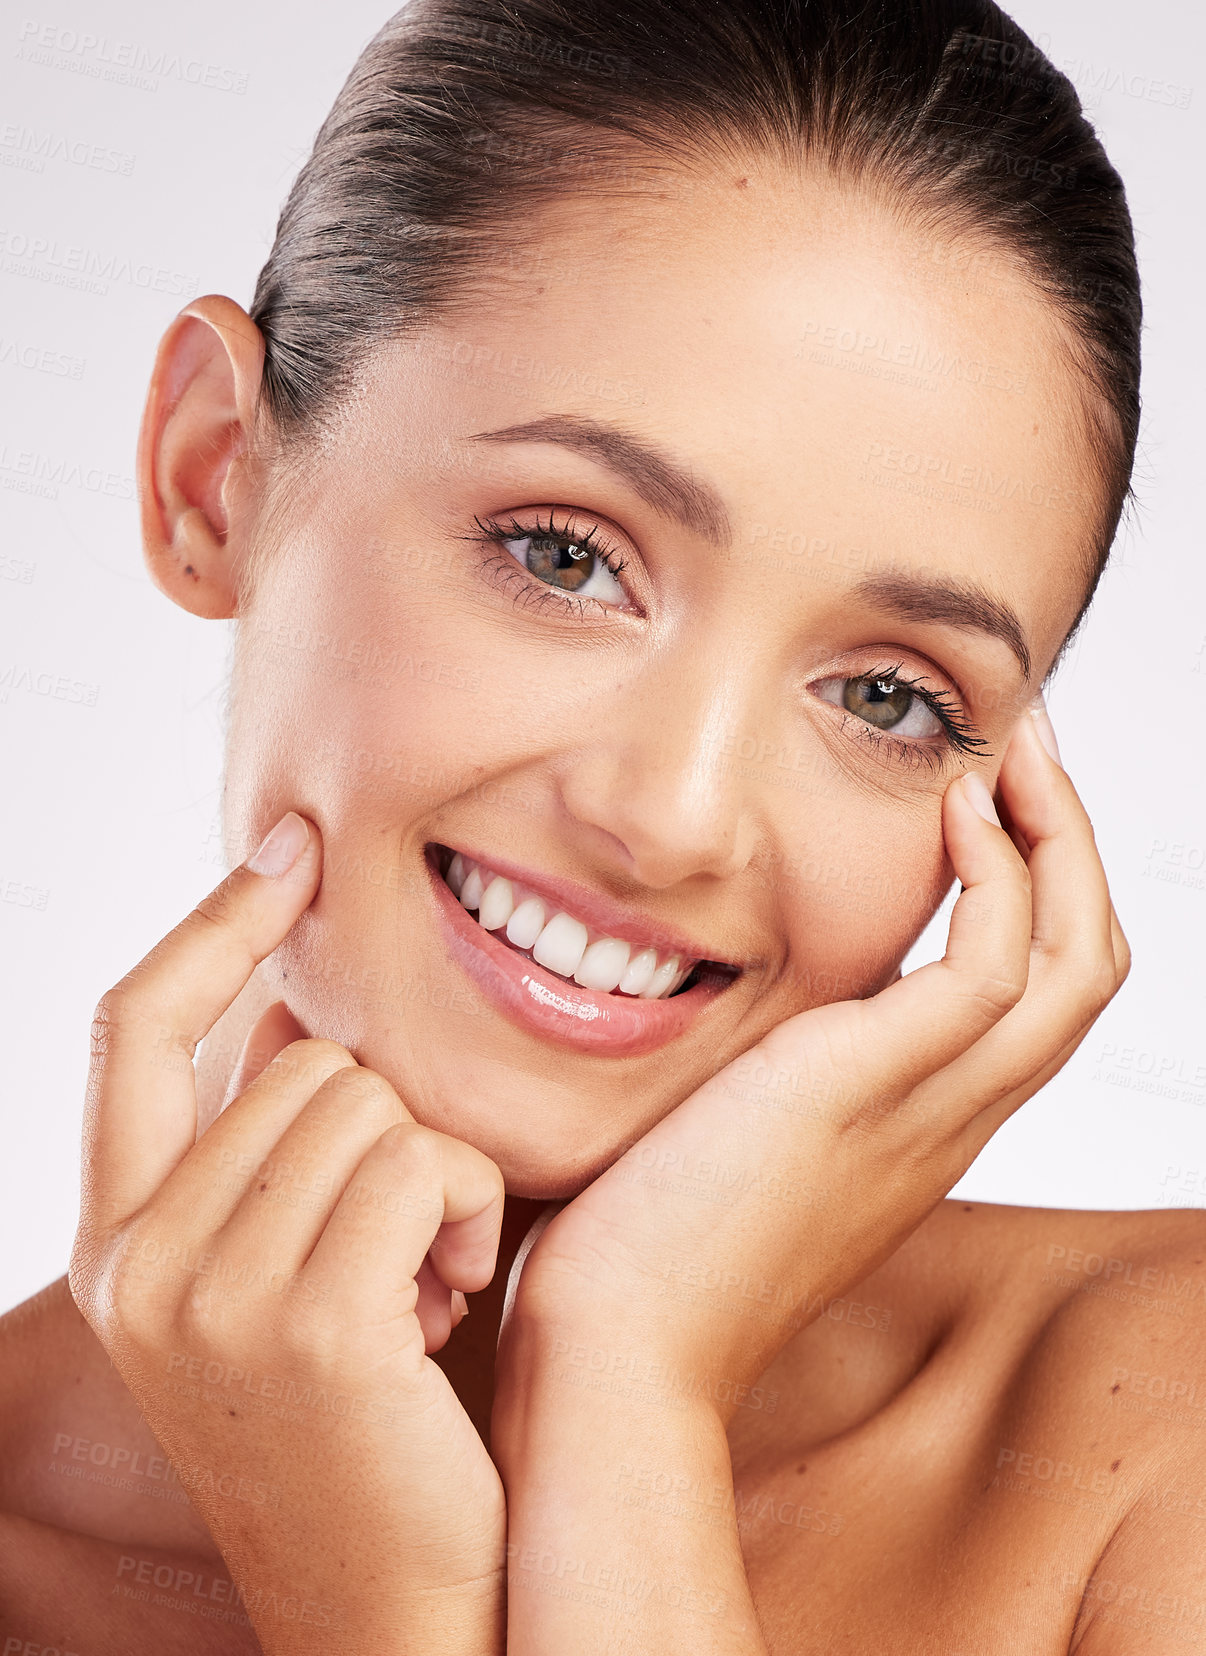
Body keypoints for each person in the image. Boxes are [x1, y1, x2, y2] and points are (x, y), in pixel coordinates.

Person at [2, 0, 1199, 1650]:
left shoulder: (1154, 1432)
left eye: (884, 695)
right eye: (565, 555)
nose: (676, 817)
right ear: (217, 476)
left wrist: (622, 1386)